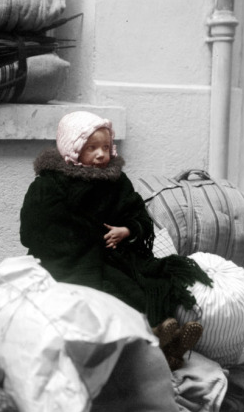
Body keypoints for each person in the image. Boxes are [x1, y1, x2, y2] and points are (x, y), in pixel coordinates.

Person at [20, 111, 212, 370]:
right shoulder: (50, 185)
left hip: (115, 255)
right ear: (73, 149)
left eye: (106, 147)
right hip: (70, 262)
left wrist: (127, 230)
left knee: (149, 284)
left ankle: (166, 344)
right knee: (114, 294)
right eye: (92, 148)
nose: (101, 154)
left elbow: (137, 213)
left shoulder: (116, 181)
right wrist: (85, 242)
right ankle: (152, 342)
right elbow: (35, 231)